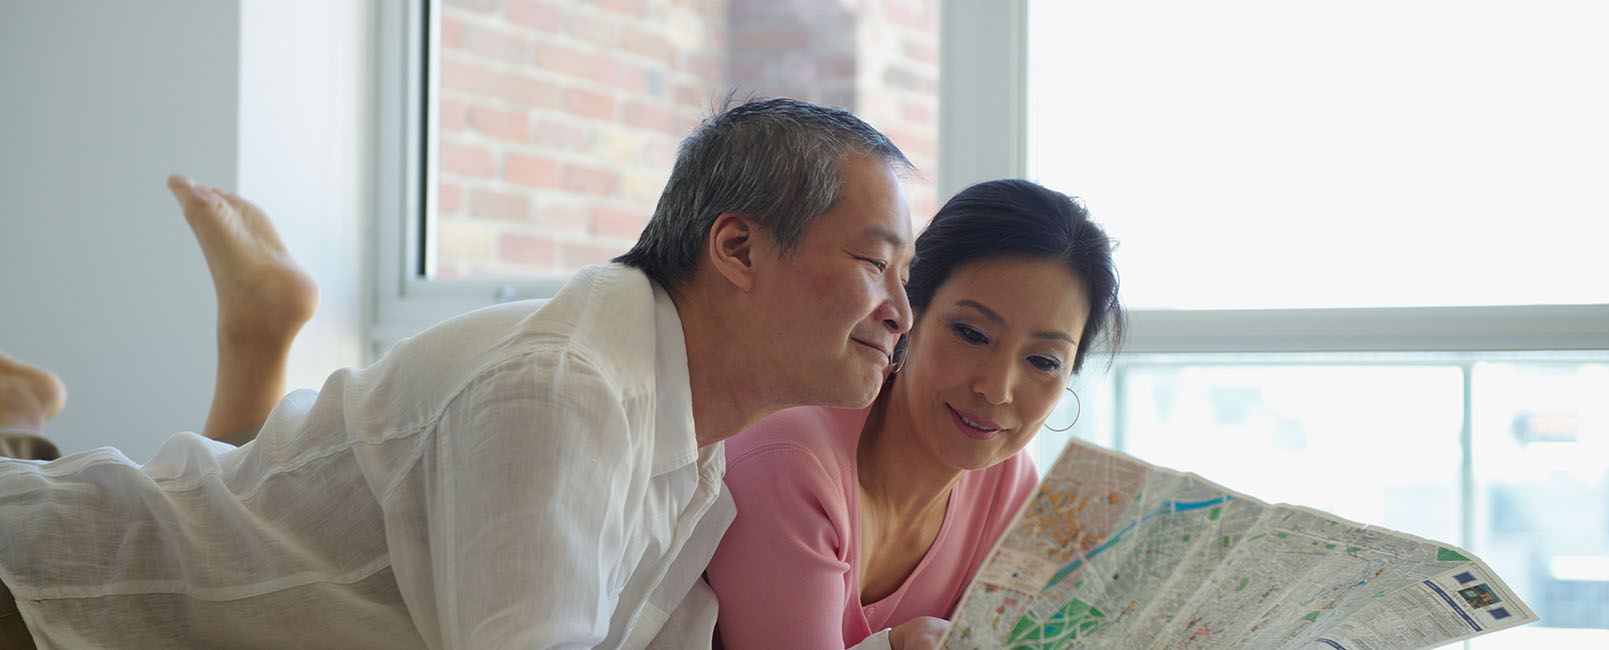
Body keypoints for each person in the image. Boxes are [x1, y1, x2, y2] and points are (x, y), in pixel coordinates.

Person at [0, 97, 917, 649]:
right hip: (46, 602)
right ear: (738, 247)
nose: (900, 314)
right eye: (876, 265)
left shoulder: (693, 444)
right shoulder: (563, 389)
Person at [704, 179, 1125, 650]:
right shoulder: (789, 459)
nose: (997, 389)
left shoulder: (1007, 483)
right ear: (910, 312)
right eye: (971, 333)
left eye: (1044, 362)